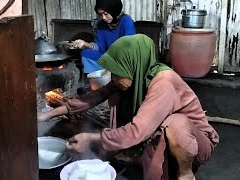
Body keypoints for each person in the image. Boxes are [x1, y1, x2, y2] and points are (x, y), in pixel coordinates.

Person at [38, 34, 219, 180]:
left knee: (175, 123)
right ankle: (136, 155)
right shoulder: (131, 76)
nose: (113, 78)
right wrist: (46, 115)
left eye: (117, 72)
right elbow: (93, 97)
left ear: (133, 65)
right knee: (118, 95)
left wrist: (90, 138)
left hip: (194, 144)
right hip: (160, 133)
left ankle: (185, 173)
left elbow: (137, 131)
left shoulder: (164, 83)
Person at [67, 0, 136, 74]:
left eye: (106, 14)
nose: (103, 17)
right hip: (107, 60)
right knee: (86, 53)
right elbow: (98, 46)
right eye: (100, 14)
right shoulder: (101, 24)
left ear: (114, 10)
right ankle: (98, 78)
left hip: (122, 61)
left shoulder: (126, 21)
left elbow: (129, 49)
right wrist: (84, 44)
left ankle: (112, 74)